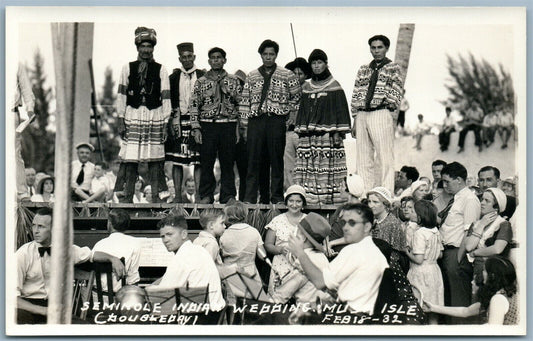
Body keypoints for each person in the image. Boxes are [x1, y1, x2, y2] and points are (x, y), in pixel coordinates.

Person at [17, 208, 122, 323]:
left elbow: (92, 255)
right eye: (34, 225)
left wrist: (113, 259)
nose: (35, 231)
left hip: (55, 307)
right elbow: (10, 297)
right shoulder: (23, 254)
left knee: (85, 327)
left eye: (41, 226)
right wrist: (43, 310)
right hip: (28, 307)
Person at [287, 203, 388, 315]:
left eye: (352, 223)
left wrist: (300, 253)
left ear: (367, 227)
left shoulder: (357, 251)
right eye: (343, 223)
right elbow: (334, 288)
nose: (345, 228)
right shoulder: (362, 248)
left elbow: (321, 283)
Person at [239, 39, 301, 204]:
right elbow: (245, 101)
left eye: (271, 54)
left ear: (276, 55)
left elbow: (297, 96)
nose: (268, 57)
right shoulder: (252, 76)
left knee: (276, 160)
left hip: (276, 121)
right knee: (253, 161)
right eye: (265, 54)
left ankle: (277, 197)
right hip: (256, 122)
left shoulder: (287, 74)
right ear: (260, 55)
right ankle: (251, 198)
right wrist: (244, 126)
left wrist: (291, 114)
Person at [115, 27, 171, 203]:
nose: (146, 50)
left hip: (155, 116)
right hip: (133, 116)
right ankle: (126, 197)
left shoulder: (161, 69)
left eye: (149, 47)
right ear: (137, 47)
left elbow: (166, 97)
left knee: (155, 161)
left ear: (153, 48)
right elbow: (121, 95)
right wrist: (120, 120)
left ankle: (157, 199)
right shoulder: (127, 68)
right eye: (143, 46)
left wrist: (165, 123)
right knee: (130, 159)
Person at [293, 49, 351, 205]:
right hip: (308, 137)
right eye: (313, 63)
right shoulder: (306, 87)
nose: (316, 66)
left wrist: (338, 133)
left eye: (319, 63)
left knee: (326, 168)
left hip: (327, 137)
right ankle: (309, 199)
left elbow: (340, 111)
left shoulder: (334, 85)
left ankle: (328, 200)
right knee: (308, 168)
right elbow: (303, 111)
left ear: (326, 64)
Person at [351, 34, 404, 194]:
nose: (376, 51)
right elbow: (356, 93)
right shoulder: (364, 69)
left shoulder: (393, 68)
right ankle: (365, 193)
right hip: (362, 114)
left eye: (379, 47)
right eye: (373, 48)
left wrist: (386, 104)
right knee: (363, 156)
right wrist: (355, 118)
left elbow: (397, 91)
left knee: (384, 155)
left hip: (380, 112)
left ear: (386, 48)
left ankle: (385, 192)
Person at [148, 214, 225, 322]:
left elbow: (162, 295)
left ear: (184, 234)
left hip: (198, 319)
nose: (165, 240)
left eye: (169, 234)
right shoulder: (198, 249)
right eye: (162, 236)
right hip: (214, 315)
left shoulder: (182, 257)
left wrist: (145, 292)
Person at [189, 47, 241, 204]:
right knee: (207, 163)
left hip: (228, 125)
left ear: (224, 60)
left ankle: (228, 195)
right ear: (208, 61)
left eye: (219, 57)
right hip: (208, 125)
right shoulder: (201, 82)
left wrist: (240, 127)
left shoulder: (234, 80)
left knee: (228, 162)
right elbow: (193, 105)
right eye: (213, 58)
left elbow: (241, 104)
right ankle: (206, 195)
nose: (216, 60)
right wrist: (196, 127)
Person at [438, 162, 480, 322]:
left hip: (457, 254)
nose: (444, 185)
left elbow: (468, 233)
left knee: (458, 300)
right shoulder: (456, 199)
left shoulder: (469, 199)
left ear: (459, 180)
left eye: (447, 181)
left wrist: (458, 258)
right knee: (449, 301)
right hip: (448, 254)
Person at [424, 256, 518, 325]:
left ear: (492, 276)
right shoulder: (504, 293)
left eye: (485, 271)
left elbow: (494, 334)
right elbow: (466, 311)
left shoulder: (498, 299)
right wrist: (433, 307)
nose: (482, 273)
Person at [166, 42, 204, 203]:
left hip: (198, 122)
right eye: (184, 57)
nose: (187, 59)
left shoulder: (203, 75)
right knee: (177, 159)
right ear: (179, 58)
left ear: (194, 57)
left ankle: (198, 195)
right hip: (178, 121)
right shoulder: (173, 78)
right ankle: (177, 196)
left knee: (198, 159)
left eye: (190, 56)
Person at [270, 213, 333, 307]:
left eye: (295, 232)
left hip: (306, 313)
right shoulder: (321, 257)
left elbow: (282, 294)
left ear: (302, 238)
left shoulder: (305, 262)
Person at [405, 200, 444, 324]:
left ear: (420, 217)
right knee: (433, 309)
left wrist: (405, 250)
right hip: (434, 271)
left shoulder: (419, 233)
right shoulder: (435, 231)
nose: (410, 212)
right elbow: (440, 254)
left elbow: (419, 259)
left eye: (413, 211)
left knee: (418, 306)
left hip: (421, 273)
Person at [464, 188, 512, 287]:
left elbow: (497, 249)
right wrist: (481, 225)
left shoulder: (503, 224)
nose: (482, 203)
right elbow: (468, 247)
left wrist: (475, 253)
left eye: (487, 201)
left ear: (496, 207)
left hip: (494, 271)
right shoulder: (476, 224)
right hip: (477, 270)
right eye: (482, 199)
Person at [219, 201, 268, 298]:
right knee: (252, 304)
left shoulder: (224, 233)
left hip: (230, 274)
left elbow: (219, 254)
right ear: (245, 214)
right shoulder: (254, 232)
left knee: (232, 303)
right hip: (250, 273)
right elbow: (262, 255)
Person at [264, 185, 307, 294]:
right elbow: (268, 244)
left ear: (303, 204)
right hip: (280, 266)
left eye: (298, 201)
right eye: (291, 201)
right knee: (279, 299)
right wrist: (280, 249)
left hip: (302, 266)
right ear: (286, 203)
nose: (294, 204)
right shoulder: (277, 220)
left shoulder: (307, 220)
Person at [91, 209, 141, 292]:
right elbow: (133, 278)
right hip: (122, 298)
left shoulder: (100, 244)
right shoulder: (135, 243)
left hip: (99, 299)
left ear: (109, 224)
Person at [283, 57, 311, 190]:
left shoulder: (309, 89)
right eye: (293, 74)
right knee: (288, 164)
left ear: (306, 75)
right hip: (288, 131)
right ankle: (291, 190)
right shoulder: (285, 91)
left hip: (303, 133)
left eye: (300, 74)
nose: (296, 77)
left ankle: (305, 190)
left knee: (304, 163)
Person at [14, 63, 36, 202]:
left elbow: (26, 89)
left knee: (14, 152)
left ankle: (22, 192)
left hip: (10, 112)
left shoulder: (17, 65)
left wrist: (30, 109)